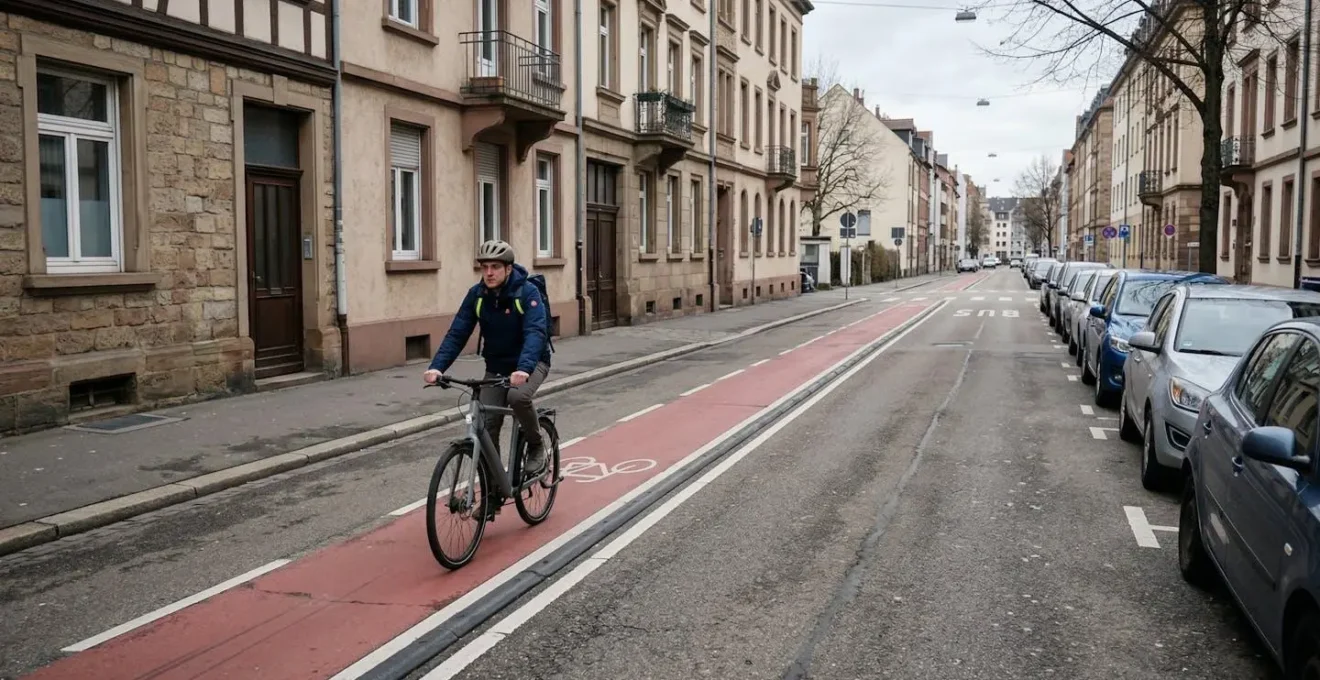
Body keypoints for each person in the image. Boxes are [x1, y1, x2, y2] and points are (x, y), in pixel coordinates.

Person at [423, 239, 551, 477]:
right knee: (486, 424)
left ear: (508, 268)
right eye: (484, 267)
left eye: (495, 267)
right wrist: (437, 367)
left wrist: (524, 368)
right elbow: (457, 333)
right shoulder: (477, 295)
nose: (489, 273)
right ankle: (493, 493)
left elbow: (535, 332)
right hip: (497, 367)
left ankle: (535, 445)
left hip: (532, 363)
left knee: (517, 396)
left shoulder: (527, 292)